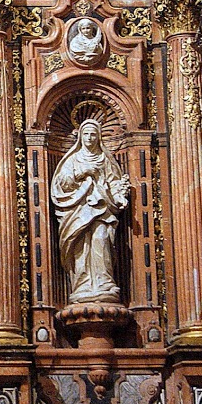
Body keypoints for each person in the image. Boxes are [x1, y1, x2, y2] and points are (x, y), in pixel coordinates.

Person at [51, 119, 130, 304]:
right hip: (78, 210)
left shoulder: (104, 159)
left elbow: (114, 182)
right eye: (86, 134)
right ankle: (82, 285)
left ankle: (104, 283)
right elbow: (61, 183)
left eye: (93, 134)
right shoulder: (73, 159)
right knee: (80, 246)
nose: (89, 138)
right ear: (80, 136)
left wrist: (119, 196)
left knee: (101, 240)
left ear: (99, 137)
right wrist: (81, 172)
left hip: (102, 208)